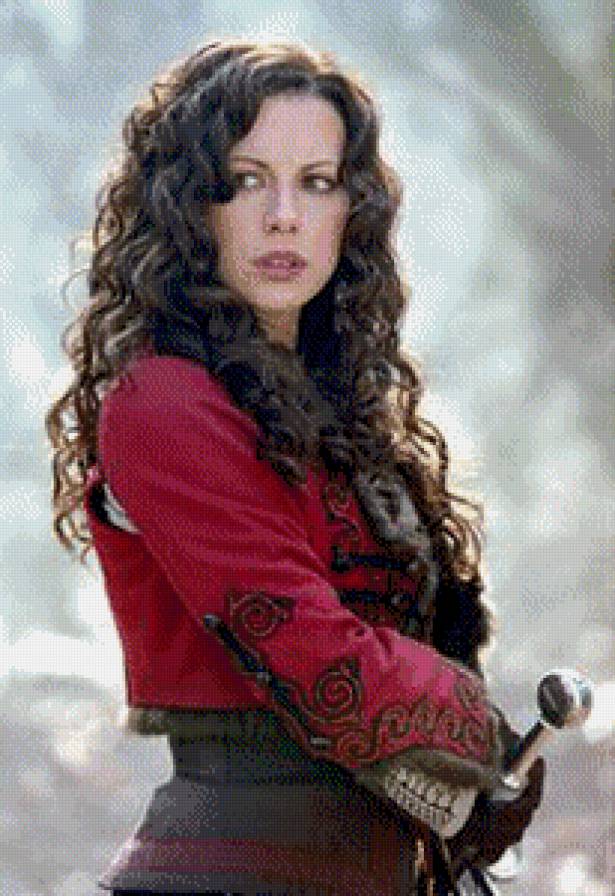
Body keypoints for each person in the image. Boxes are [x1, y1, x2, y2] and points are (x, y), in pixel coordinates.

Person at [45, 38, 545, 896]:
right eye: (245, 180)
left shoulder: (335, 412)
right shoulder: (163, 400)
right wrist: (474, 734)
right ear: (190, 204)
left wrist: (475, 790)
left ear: (351, 208)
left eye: (315, 182)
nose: (283, 215)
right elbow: (311, 651)